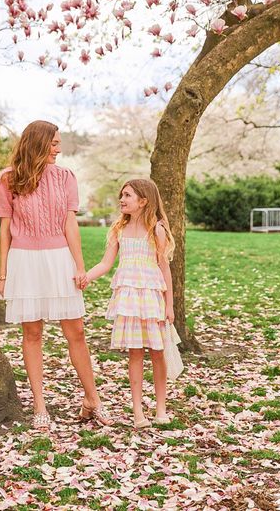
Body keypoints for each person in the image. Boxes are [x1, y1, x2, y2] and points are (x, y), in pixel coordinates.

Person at [0, 120, 112, 430]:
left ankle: (92, 400)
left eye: (59, 144)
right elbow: (5, 231)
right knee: (32, 335)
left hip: (59, 260)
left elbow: (70, 224)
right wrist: (3, 273)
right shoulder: (7, 180)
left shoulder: (65, 177)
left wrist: (79, 265)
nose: (58, 150)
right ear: (37, 143)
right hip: (24, 262)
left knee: (77, 332)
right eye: (54, 144)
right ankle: (40, 406)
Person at [86, 179, 175, 429]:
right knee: (135, 353)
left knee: (157, 353)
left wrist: (170, 305)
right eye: (121, 195)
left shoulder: (156, 229)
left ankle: (160, 409)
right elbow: (105, 264)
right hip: (129, 299)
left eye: (127, 195)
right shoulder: (118, 230)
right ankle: (138, 412)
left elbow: (164, 268)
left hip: (151, 297)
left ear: (143, 201)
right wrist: (85, 277)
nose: (121, 200)